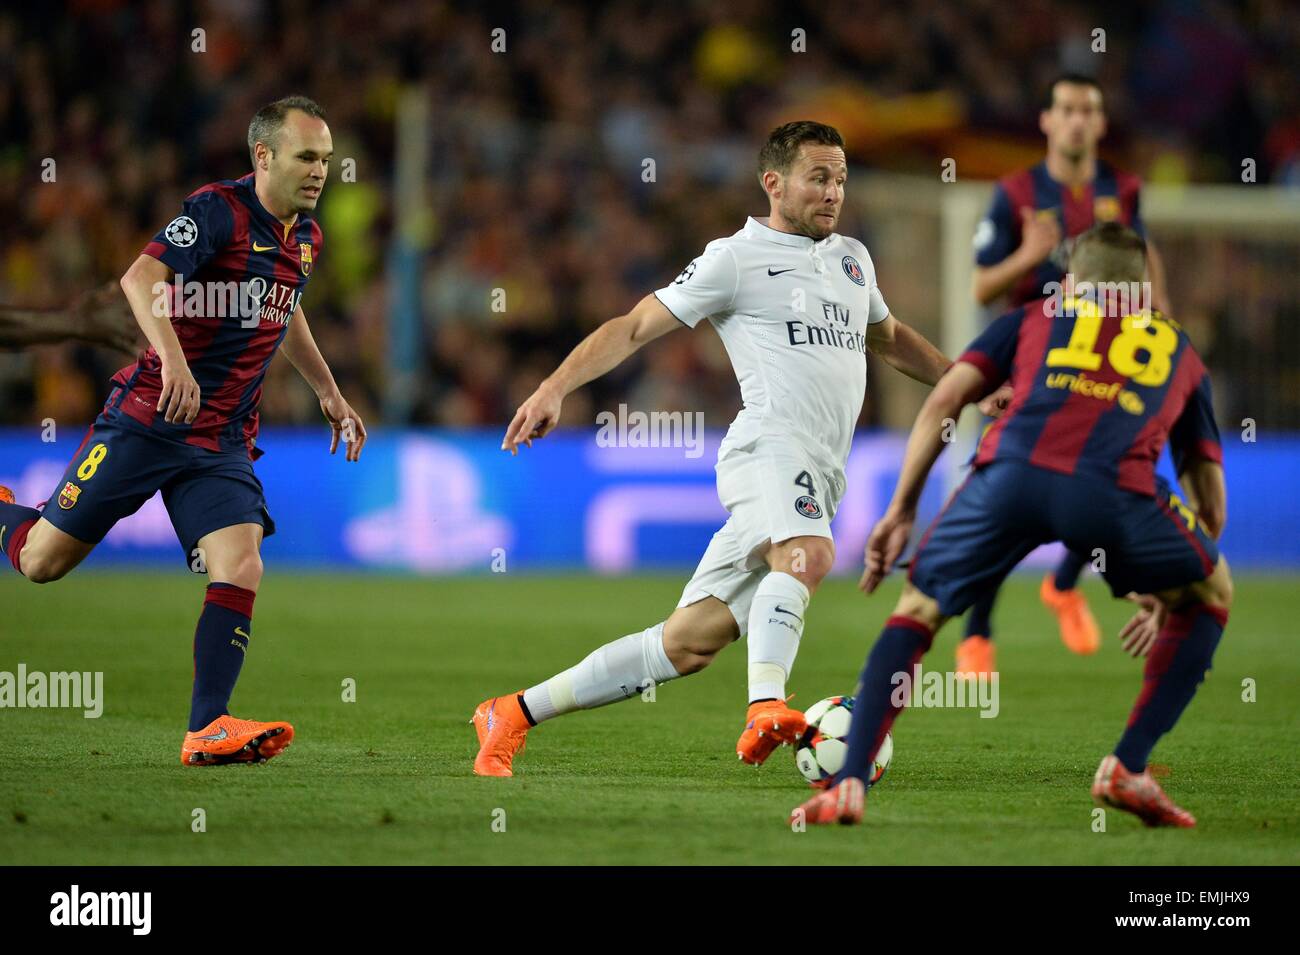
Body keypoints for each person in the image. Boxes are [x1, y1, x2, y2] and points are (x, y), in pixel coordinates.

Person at [472, 121, 991, 777]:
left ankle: (512, 711)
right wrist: (554, 385)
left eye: (840, 179)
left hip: (818, 471)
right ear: (773, 182)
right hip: (769, 447)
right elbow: (634, 326)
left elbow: (887, 338)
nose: (834, 193)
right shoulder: (734, 258)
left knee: (689, 642)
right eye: (818, 178)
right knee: (807, 554)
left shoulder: (852, 257)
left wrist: (964, 382)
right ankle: (764, 704)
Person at [794, 223, 1228, 828]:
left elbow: (946, 400)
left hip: (1008, 477)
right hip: (1111, 494)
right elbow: (1208, 494)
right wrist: (1174, 583)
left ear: (1072, 282)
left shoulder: (1033, 319)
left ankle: (847, 786)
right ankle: (1128, 766)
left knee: (917, 610)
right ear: (1145, 288)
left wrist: (902, 509)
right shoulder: (1179, 350)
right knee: (1213, 592)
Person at [0, 95, 367, 767]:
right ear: (265, 156)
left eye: (326, 159)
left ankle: (207, 726)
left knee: (242, 561)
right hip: (149, 418)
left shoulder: (306, 237)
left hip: (221, 437)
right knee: (39, 563)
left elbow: (287, 311)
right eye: (307, 156)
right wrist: (171, 358)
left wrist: (328, 390)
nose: (320, 171)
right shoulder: (217, 212)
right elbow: (141, 278)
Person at [960, 73, 1171, 675]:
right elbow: (981, 286)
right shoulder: (1015, 192)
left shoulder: (1123, 191)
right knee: (1001, 493)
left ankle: (1062, 583)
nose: (1078, 120)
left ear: (1101, 124)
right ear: (1047, 121)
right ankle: (978, 632)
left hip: (1098, 364)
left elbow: (1141, 266)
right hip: (1029, 361)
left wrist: (1161, 326)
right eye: (1067, 109)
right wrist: (1029, 255)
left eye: (1089, 110)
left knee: (1100, 480)